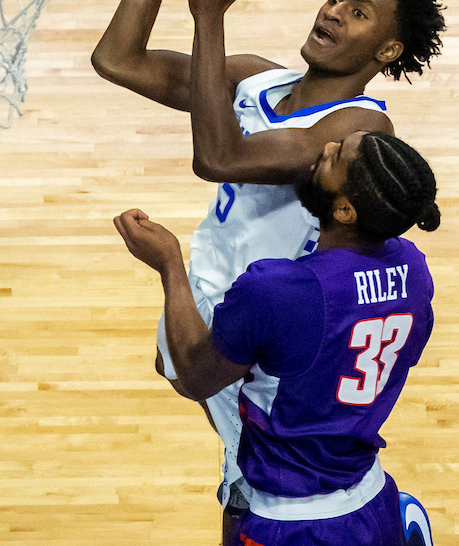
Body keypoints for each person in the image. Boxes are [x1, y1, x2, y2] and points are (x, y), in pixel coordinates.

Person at [92, 0, 446, 536]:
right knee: (186, 380)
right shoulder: (257, 80)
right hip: (220, 288)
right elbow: (117, 58)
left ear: (388, 48)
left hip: (281, 318)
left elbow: (219, 156)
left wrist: (208, 18)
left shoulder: (359, 127)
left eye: (357, 12)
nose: (333, 10)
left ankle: (371, 511)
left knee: (263, 475)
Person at [113, 129, 440, 546]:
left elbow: (193, 378)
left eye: (336, 157)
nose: (324, 148)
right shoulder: (414, 269)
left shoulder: (278, 290)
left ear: (343, 210)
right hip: (371, 500)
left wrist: (170, 265)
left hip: (290, 523)